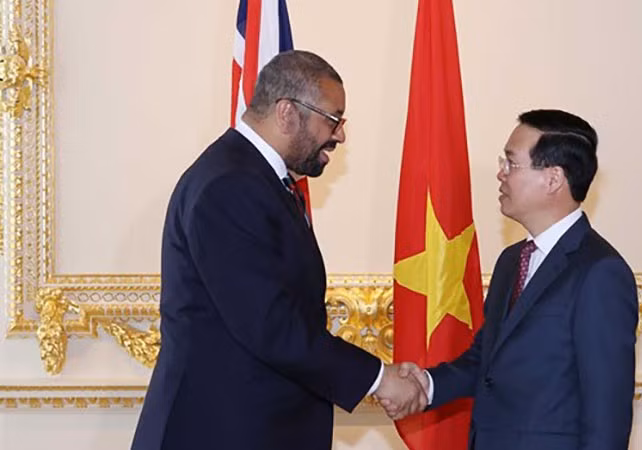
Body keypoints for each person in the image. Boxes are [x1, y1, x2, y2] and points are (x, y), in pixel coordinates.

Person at [131, 50, 426, 450]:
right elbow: (271, 325)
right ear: (287, 112)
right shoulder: (230, 185)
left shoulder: (254, 177)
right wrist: (378, 378)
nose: (340, 135)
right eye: (333, 119)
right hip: (219, 431)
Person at [396, 109, 639, 449]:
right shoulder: (512, 261)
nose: (501, 174)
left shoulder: (600, 273)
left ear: (553, 179)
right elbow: (485, 360)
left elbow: (607, 417)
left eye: (511, 163)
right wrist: (426, 384)